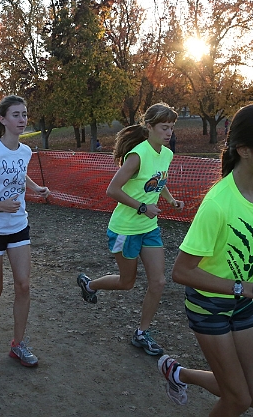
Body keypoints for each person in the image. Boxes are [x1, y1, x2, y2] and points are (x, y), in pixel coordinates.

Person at [159, 103, 253, 416]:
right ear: (244, 150)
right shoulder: (217, 204)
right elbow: (181, 271)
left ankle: (178, 373)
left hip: (242, 302)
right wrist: (250, 289)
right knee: (238, 399)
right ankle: (182, 374)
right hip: (209, 308)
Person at [77, 103, 184, 356]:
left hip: (149, 228)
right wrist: (142, 207)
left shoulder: (166, 154)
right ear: (149, 127)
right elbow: (112, 190)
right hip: (124, 228)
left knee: (158, 282)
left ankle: (141, 333)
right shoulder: (137, 155)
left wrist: (169, 200)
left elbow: (158, 181)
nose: (169, 133)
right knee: (127, 283)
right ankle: (90, 285)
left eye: (171, 128)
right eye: (163, 127)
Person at [0, 95, 50, 367]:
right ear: (3, 120)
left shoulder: (26, 151)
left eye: (24, 114)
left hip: (19, 225)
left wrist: (34, 188)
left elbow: (20, 174)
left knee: (24, 284)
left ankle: (18, 345)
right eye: (16, 115)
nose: (22, 119)